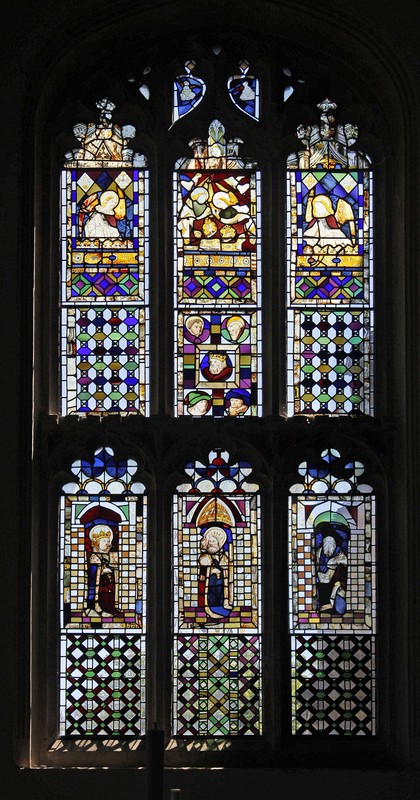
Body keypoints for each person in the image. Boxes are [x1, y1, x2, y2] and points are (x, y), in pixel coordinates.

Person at [198, 526, 233, 621]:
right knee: (211, 597)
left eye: (213, 541)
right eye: (209, 542)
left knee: (221, 595)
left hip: (221, 584)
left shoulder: (223, 556)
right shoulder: (205, 557)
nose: (211, 544)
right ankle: (211, 610)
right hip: (210, 585)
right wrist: (212, 570)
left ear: (219, 543)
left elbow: (227, 568)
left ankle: (223, 607)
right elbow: (203, 569)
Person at [85, 524, 120, 616]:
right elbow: (92, 575)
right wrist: (102, 572)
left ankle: (110, 608)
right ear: (97, 543)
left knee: (109, 595)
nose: (107, 543)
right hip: (99, 585)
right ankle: (96, 607)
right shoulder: (94, 556)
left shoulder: (109, 555)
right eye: (104, 541)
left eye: (108, 541)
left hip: (109, 584)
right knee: (102, 595)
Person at [315, 522, 348, 614]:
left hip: (336, 580)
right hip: (322, 581)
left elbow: (345, 561)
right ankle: (323, 605)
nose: (328, 546)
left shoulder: (339, 552)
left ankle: (332, 605)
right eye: (326, 542)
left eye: (331, 542)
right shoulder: (318, 551)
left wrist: (335, 561)